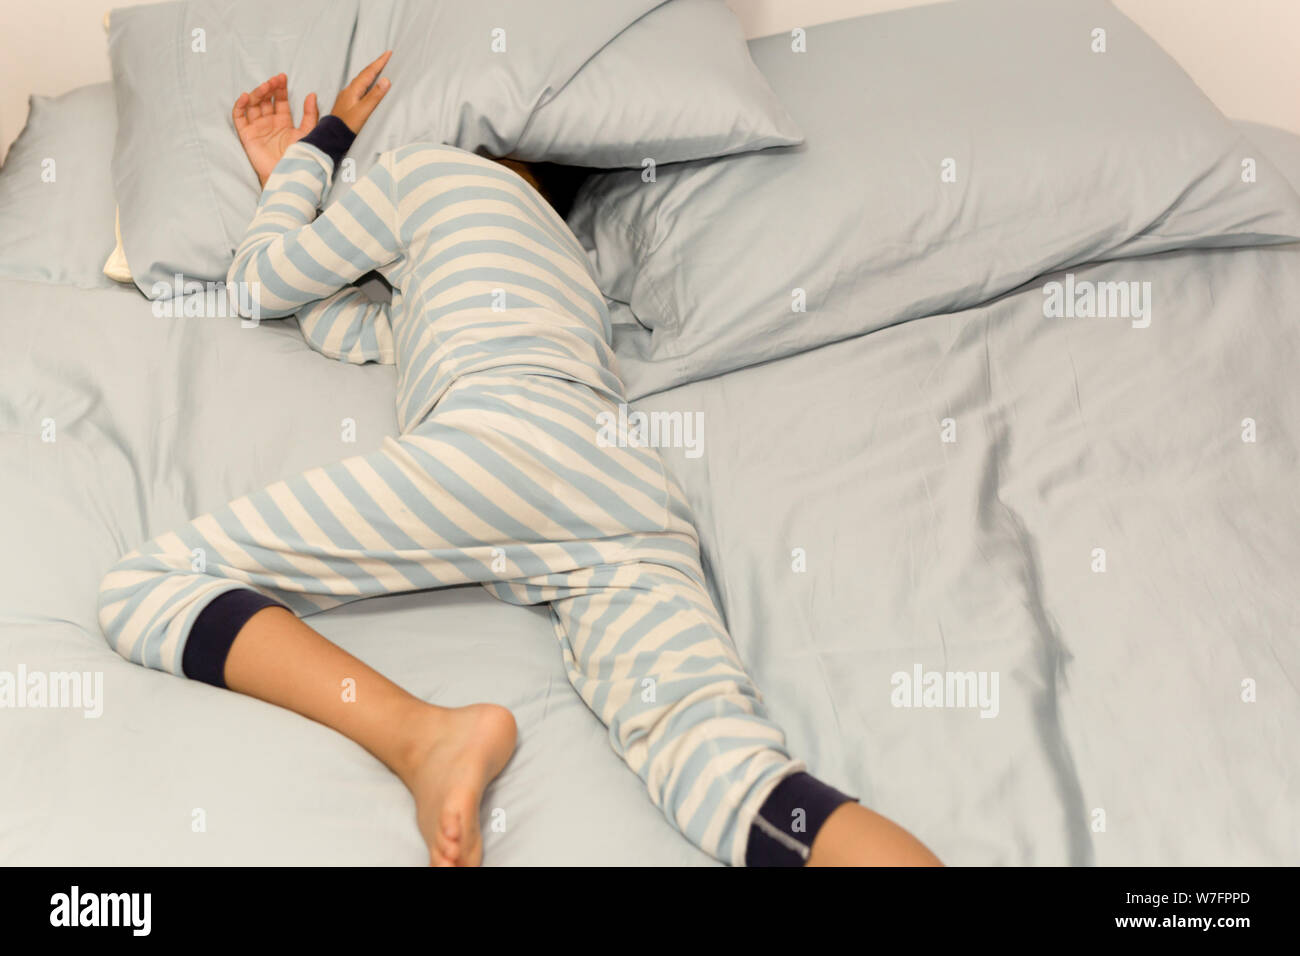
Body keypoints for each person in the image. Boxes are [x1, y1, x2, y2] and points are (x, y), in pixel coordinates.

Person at [97, 52, 941, 868]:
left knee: (150, 587)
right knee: (731, 775)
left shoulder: (420, 172)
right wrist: (334, 234)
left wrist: (305, 161)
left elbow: (259, 286)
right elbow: (345, 326)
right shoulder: (573, 273)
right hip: (627, 493)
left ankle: (427, 737)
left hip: (494, 444)